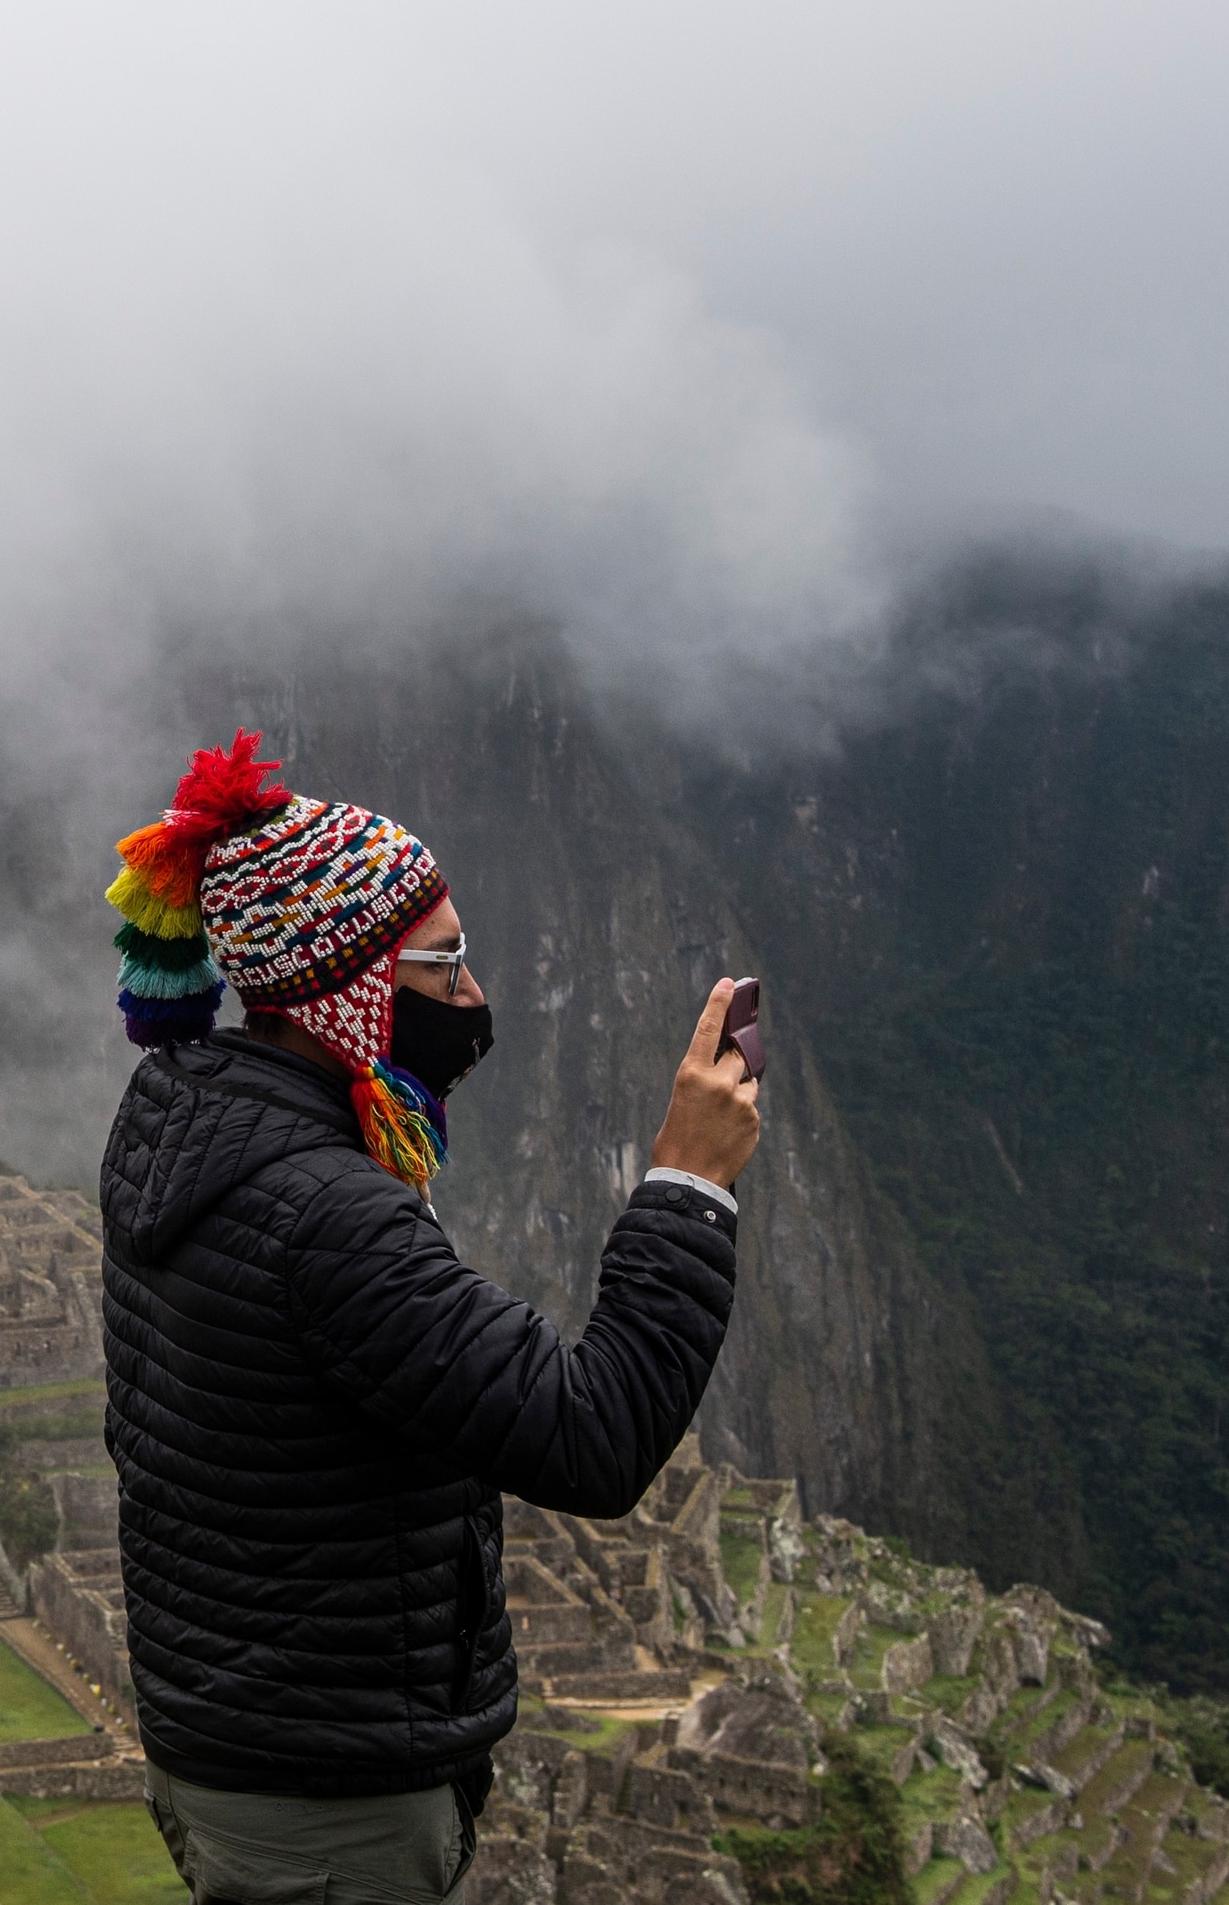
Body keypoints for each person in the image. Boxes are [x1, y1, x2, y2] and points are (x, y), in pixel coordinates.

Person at [99, 734, 762, 1905]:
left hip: (236, 1743)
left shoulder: (182, 1129)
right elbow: (594, 1433)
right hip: (327, 1799)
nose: (476, 1000)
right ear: (348, 995)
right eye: (444, 968)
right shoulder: (327, 1216)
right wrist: (689, 1186)